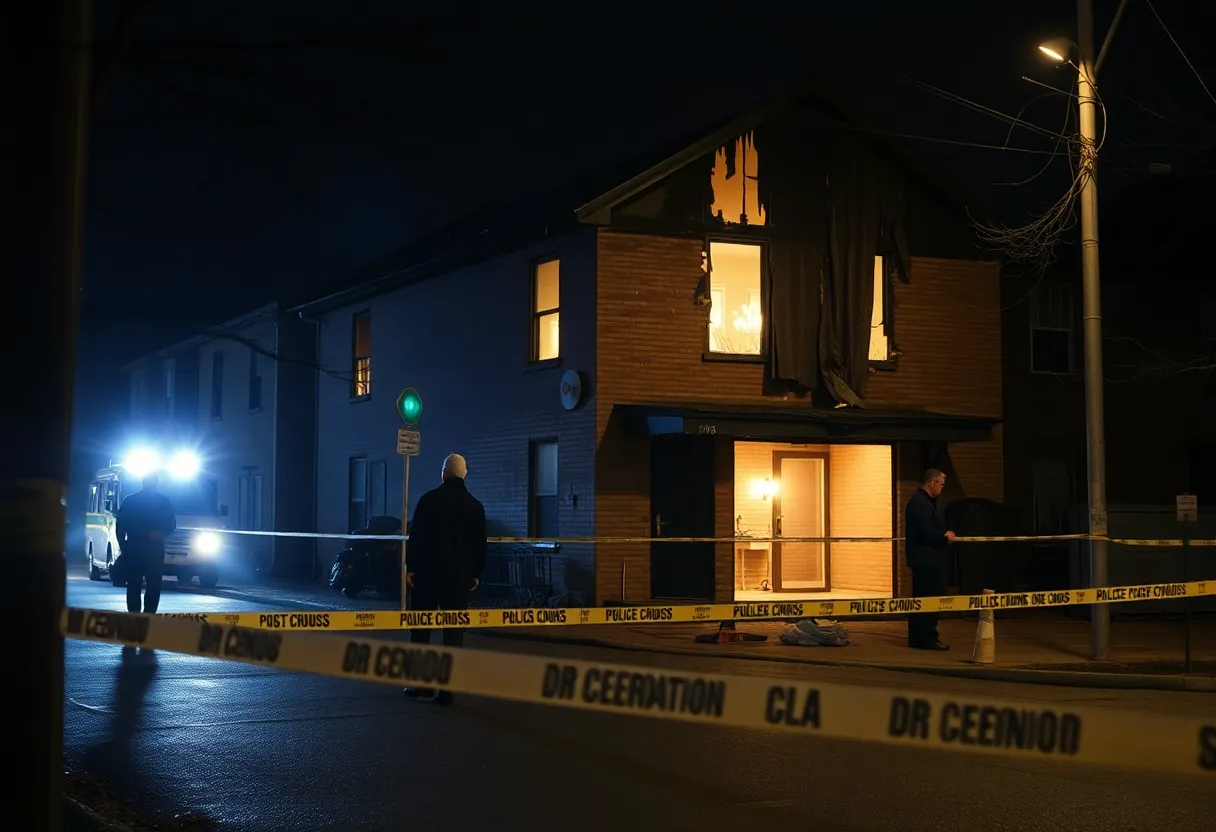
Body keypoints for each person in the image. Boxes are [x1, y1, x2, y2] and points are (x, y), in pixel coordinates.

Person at [403, 453, 487, 705]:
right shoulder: (475, 506)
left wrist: (411, 567)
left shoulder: (428, 501)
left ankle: (422, 684)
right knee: (453, 633)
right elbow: (479, 545)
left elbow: (416, 537)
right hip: (458, 579)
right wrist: (475, 574)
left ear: (443, 473)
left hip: (428, 576)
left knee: (422, 630)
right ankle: (447, 689)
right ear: (465, 474)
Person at [904, 468, 955, 651]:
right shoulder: (921, 504)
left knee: (922, 600)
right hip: (927, 561)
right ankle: (926, 638)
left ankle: (919, 637)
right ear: (932, 482)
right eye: (941, 484)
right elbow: (926, 532)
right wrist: (944, 537)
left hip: (924, 560)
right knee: (929, 600)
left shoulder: (923, 502)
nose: (942, 488)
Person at [115, 471, 177, 614]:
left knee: (134, 585)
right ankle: (149, 615)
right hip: (154, 549)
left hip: (134, 548)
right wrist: (160, 533)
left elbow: (119, 526)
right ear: (157, 482)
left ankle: (134, 615)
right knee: (153, 585)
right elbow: (172, 524)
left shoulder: (130, 501)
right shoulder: (163, 501)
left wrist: (123, 547)